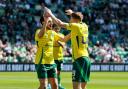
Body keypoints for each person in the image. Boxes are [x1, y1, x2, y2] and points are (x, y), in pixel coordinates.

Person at [44, 7, 91, 89]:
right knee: (83, 87)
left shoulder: (76, 26)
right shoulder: (84, 26)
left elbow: (60, 24)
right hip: (86, 58)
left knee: (76, 87)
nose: (70, 21)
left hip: (79, 58)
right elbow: (64, 39)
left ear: (75, 20)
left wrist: (50, 14)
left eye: (71, 18)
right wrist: (72, 13)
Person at [35, 14, 70, 89]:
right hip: (42, 62)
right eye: (49, 22)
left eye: (51, 22)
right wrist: (46, 21)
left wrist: (73, 32)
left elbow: (64, 39)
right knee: (43, 86)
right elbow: (40, 35)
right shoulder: (38, 32)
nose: (51, 23)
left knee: (55, 85)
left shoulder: (52, 33)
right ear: (43, 23)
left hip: (51, 62)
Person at [53, 24, 65, 89]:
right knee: (53, 73)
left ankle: (59, 84)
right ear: (53, 29)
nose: (57, 30)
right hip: (52, 57)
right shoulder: (51, 35)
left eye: (58, 29)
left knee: (58, 73)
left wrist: (57, 41)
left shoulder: (61, 35)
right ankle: (51, 85)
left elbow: (63, 44)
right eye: (56, 28)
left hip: (60, 57)